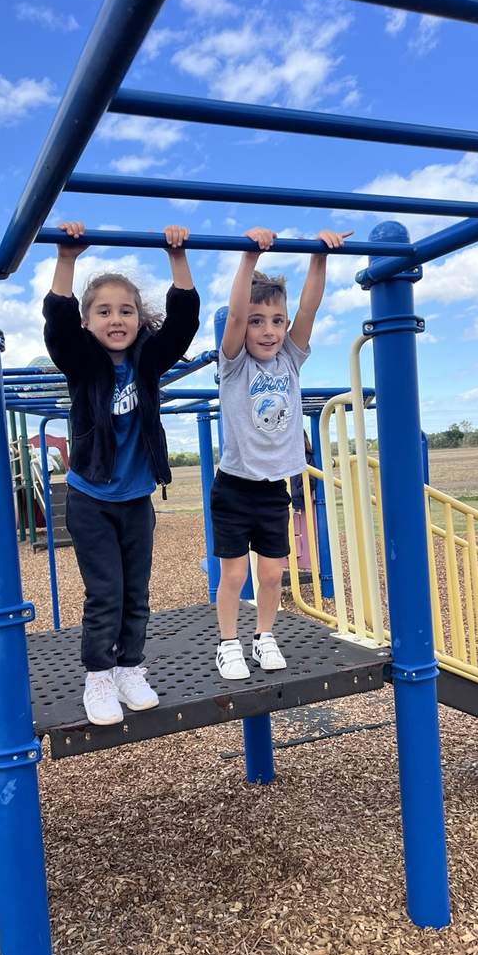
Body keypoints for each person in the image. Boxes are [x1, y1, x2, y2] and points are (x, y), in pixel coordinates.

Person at [43, 221, 200, 725]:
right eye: (104, 311)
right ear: (89, 322)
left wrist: (177, 256)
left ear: (139, 319)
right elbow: (58, 327)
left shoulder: (148, 360)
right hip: (90, 498)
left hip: (135, 499)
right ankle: (98, 679)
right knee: (105, 592)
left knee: (137, 592)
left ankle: (131, 668)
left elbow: (184, 324)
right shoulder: (82, 363)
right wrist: (67, 259)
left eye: (126, 310)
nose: (117, 318)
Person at [211, 225, 352, 679]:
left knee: (272, 574)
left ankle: (264, 636)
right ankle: (228, 644)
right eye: (258, 321)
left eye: (276, 321)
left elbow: (309, 305)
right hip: (233, 488)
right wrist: (248, 258)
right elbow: (233, 318)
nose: (267, 331)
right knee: (234, 575)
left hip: (274, 487)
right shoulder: (234, 366)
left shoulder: (290, 358)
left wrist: (319, 257)